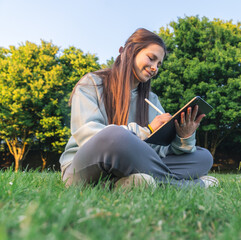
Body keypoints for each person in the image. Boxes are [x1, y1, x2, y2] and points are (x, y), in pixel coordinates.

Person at [59, 28, 218, 189]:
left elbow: (156, 151)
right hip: (83, 168)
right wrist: (147, 131)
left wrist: (184, 137)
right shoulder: (91, 83)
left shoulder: (152, 99)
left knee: (203, 157)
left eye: (159, 64)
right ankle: (190, 186)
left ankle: (117, 185)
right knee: (115, 135)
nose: (155, 67)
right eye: (151, 58)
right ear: (126, 52)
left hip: (130, 165)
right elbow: (87, 137)